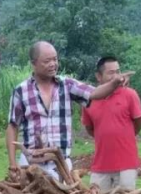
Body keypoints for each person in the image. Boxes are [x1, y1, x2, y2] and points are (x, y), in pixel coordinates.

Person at [7, 41, 129, 179]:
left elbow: (95, 93)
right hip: (31, 165)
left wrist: (114, 83)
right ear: (34, 63)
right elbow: (12, 126)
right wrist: (12, 162)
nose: (53, 64)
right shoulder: (21, 91)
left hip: (61, 164)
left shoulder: (67, 85)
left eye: (55, 59)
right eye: (47, 61)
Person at [82, 56, 141, 192]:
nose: (116, 76)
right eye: (111, 73)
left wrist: (125, 136)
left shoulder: (130, 95)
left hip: (126, 164)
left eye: (118, 71)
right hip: (100, 165)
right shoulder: (90, 98)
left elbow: (139, 122)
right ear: (99, 76)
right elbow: (89, 128)